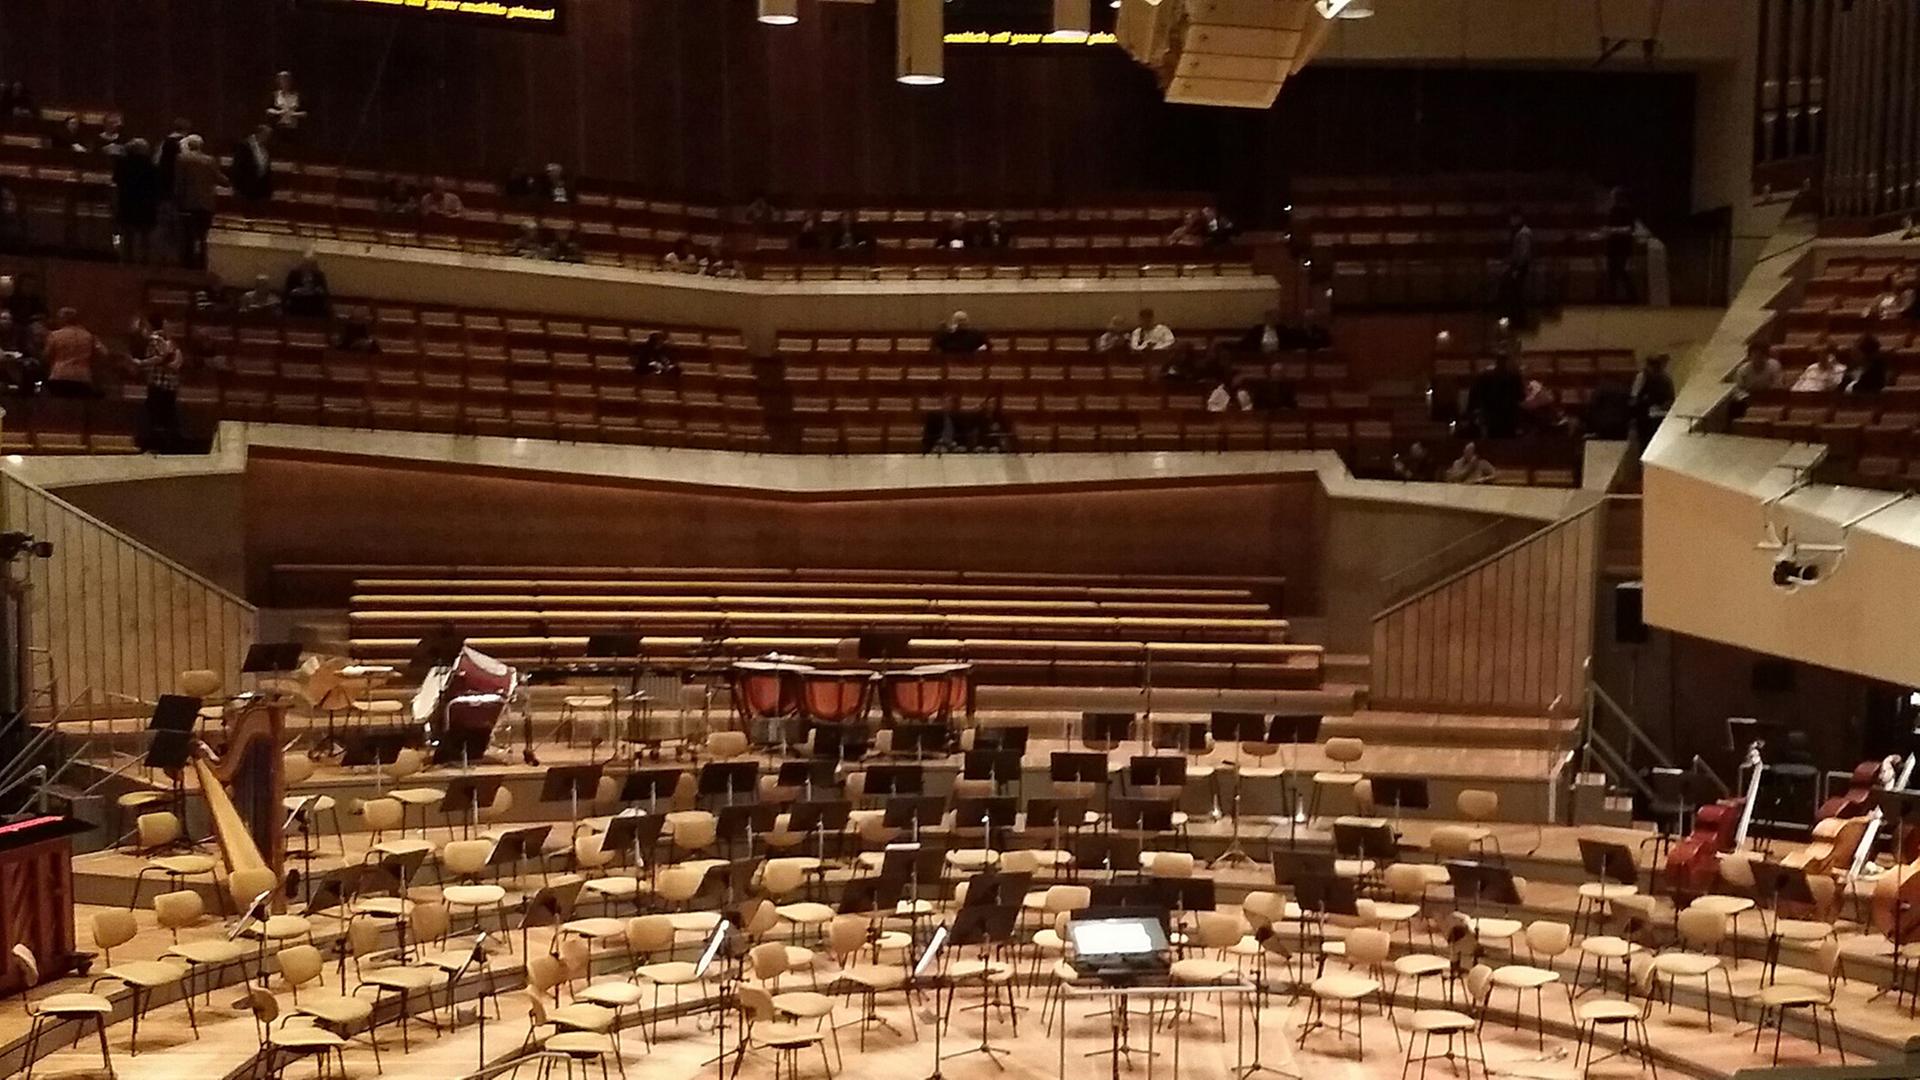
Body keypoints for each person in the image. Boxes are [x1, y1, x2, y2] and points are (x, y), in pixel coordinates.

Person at [131, 314, 185, 451]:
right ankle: (168, 446)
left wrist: (141, 363)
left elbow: (161, 358)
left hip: (159, 382)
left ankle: (157, 446)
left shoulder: (155, 339)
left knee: (156, 415)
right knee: (167, 415)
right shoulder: (170, 340)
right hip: (171, 383)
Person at [172, 134, 225, 269]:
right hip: (206, 204)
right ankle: (202, 264)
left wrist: (177, 199)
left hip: (188, 203)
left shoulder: (181, 159)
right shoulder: (209, 160)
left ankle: (187, 265)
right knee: (203, 236)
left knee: (187, 236)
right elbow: (220, 179)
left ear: (189, 145)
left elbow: (179, 182)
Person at [42, 308, 104, 397]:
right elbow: (103, 353)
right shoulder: (89, 336)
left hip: (59, 375)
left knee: (59, 405)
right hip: (82, 376)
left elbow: (46, 355)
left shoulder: (54, 335)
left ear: (62, 319)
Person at [1465, 351, 1526, 438]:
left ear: (1496, 361)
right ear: (1507, 361)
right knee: (1509, 443)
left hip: (1490, 417)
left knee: (1492, 441)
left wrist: (1472, 412)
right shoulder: (1514, 376)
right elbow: (1521, 397)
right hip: (1509, 417)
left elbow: (1475, 395)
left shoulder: (1484, 375)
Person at [1602, 187, 1638, 303]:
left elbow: (1629, 229)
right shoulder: (1612, 210)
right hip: (1612, 246)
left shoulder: (1627, 211)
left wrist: (1613, 230)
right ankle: (1611, 298)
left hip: (1622, 247)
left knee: (1621, 272)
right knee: (1611, 273)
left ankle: (1632, 297)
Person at [1499, 211, 1535, 328]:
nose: (1511, 221)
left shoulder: (1523, 234)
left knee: (1517, 294)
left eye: (1513, 218)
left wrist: (1517, 269)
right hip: (1518, 267)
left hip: (1520, 268)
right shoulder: (1520, 233)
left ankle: (1519, 321)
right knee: (1515, 293)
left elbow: (1523, 254)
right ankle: (1516, 319)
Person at [1629, 354, 1675, 444]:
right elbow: (1634, 399)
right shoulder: (1643, 377)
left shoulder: (1665, 379)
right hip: (1646, 414)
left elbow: (1670, 398)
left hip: (1656, 414)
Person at [1728, 343, 1782, 416]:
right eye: (1754, 355)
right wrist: (1746, 398)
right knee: (1734, 405)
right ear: (1750, 357)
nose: (1757, 359)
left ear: (1766, 356)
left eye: (1760, 356)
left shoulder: (1774, 366)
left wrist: (1766, 395)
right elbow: (1737, 389)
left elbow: (1777, 384)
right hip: (1749, 397)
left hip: (1769, 395)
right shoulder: (1742, 370)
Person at [229, 125, 274, 203]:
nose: (268, 138)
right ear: (260, 134)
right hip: (246, 187)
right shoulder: (244, 145)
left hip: (260, 187)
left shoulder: (265, 147)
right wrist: (237, 187)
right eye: (267, 135)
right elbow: (237, 167)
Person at [282, 252, 332, 318]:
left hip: (314, 303)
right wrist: (297, 291)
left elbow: (325, 293)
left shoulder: (319, 275)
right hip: (298, 302)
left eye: (311, 264)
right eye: (306, 263)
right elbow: (287, 291)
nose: (308, 266)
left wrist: (319, 291)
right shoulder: (294, 274)